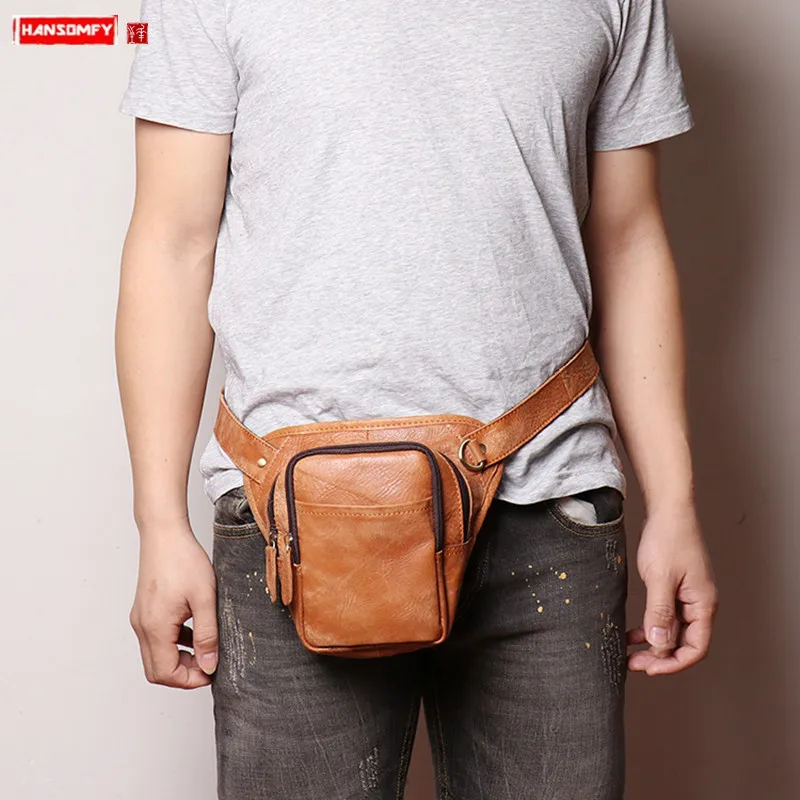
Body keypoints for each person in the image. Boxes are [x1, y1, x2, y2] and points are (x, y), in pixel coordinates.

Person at [116, 0, 718, 797]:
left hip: (548, 506)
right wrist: (159, 523)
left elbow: (629, 237)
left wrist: (675, 503)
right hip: (288, 522)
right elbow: (172, 244)